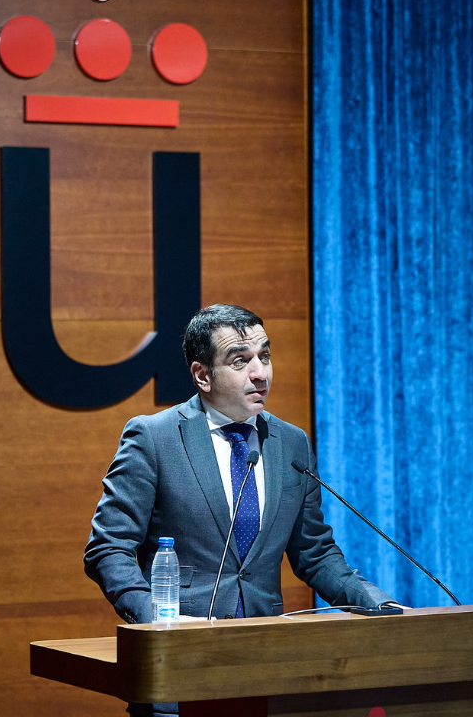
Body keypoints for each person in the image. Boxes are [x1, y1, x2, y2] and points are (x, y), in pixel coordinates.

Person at [84, 304, 396, 716]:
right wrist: (156, 621)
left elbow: (315, 553)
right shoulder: (155, 438)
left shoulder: (291, 443)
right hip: (181, 670)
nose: (260, 373)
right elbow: (108, 548)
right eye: (240, 361)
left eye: (264, 356)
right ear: (203, 375)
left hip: (269, 674)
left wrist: (379, 606)